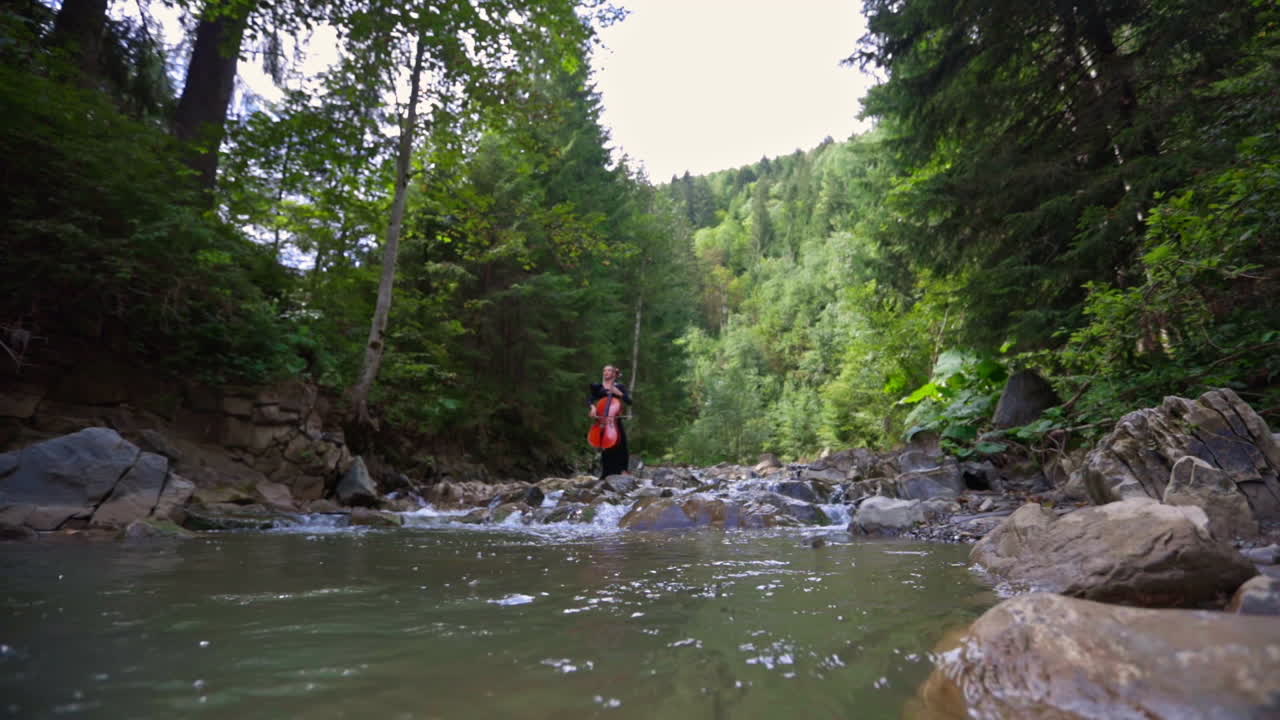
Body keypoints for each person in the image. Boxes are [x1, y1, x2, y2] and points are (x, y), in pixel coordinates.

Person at [588, 365, 632, 478]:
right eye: (604, 370)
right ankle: (606, 473)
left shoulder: (619, 386)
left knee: (622, 444)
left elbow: (629, 401)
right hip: (602, 420)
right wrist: (592, 407)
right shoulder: (599, 387)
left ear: (613, 374)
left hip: (614, 420)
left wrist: (619, 393)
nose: (606, 372)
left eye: (609, 370)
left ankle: (622, 470)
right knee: (605, 446)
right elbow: (590, 399)